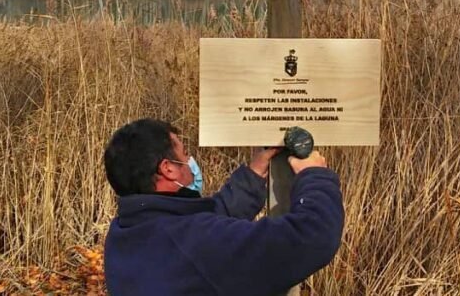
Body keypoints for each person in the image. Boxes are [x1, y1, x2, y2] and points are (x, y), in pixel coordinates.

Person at [103, 118, 344, 296]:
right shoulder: (195, 242)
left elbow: (206, 223)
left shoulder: (125, 233)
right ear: (168, 169)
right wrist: (314, 175)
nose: (189, 161)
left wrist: (253, 174)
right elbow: (311, 237)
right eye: (184, 154)